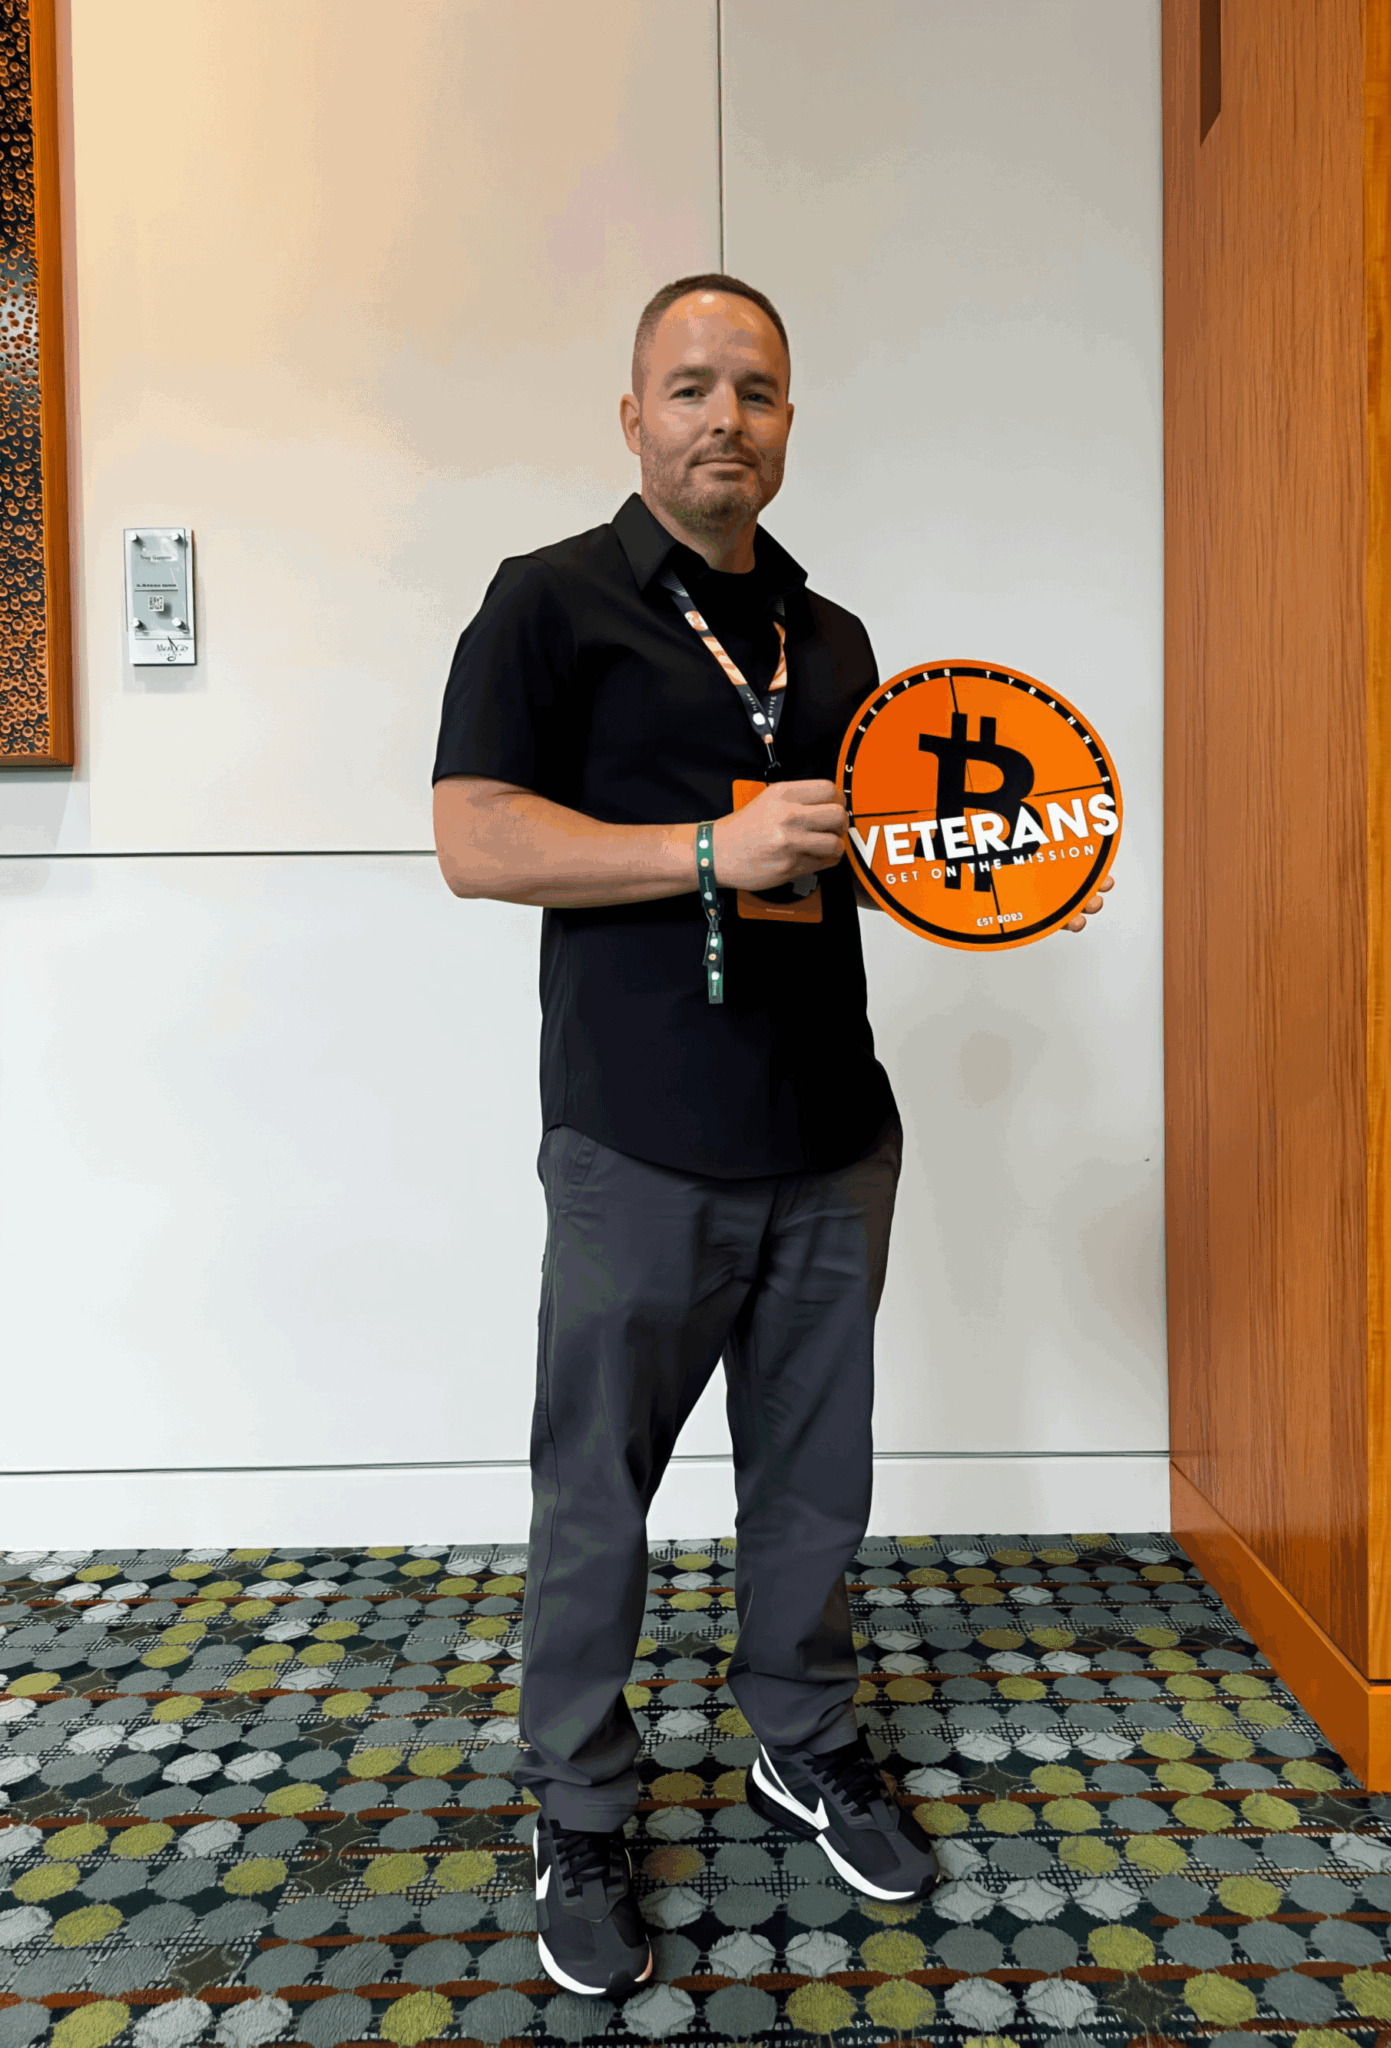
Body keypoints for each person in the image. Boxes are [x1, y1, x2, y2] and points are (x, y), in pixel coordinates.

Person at [431, 273, 1109, 2000]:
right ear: (633, 416)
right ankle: (582, 1805)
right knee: (598, 1493)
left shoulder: (837, 638)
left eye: (757, 390)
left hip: (830, 1134)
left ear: (790, 420)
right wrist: (699, 853)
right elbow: (478, 841)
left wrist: (1009, 879)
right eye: (690, 387)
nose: (724, 417)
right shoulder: (548, 602)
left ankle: (801, 1739)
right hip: (638, 1138)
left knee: (814, 1480)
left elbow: (866, 850)